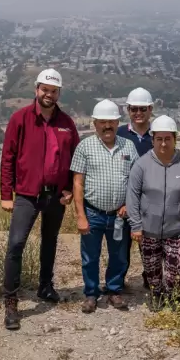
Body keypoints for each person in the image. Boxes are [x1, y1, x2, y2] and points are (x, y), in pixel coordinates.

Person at [0, 68, 80, 330]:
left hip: (55, 195)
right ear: (36, 89)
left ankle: (45, 286)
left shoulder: (66, 123)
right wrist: (5, 194)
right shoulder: (20, 118)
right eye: (45, 89)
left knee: (50, 241)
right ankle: (11, 301)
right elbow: (8, 157)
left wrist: (68, 188)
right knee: (15, 244)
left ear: (59, 93)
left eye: (53, 91)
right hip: (26, 193)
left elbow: (74, 158)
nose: (48, 94)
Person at [127, 116, 180, 311]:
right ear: (152, 139)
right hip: (148, 229)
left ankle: (173, 296)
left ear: (174, 139)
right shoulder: (142, 165)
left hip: (176, 228)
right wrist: (135, 225)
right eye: (158, 138)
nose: (163, 143)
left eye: (167, 138)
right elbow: (133, 197)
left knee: (176, 270)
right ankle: (157, 294)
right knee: (152, 270)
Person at [70, 100, 137, 313]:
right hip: (93, 213)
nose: (107, 126)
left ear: (118, 123)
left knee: (119, 255)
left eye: (111, 122)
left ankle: (113, 290)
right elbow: (77, 183)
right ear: (95, 123)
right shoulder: (85, 146)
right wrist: (80, 215)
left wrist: (128, 204)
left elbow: (136, 181)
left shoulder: (129, 146)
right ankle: (91, 293)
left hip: (119, 215)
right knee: (90, 256)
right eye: (102, 122)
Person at [117, 87, 155, 289]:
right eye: (133, 109)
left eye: (142, 109)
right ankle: (118, 281)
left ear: (150, 109)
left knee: (149, 244)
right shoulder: (119, 134)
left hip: (151, 201)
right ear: (128, 110)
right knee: (122, 245)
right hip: (125, 201)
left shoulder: (159, 134)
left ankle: (151, 277)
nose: (138, 113)